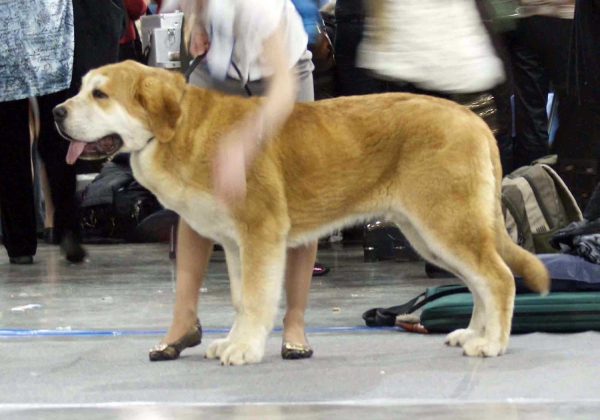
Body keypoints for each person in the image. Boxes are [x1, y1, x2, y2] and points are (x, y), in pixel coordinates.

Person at [150, 0, 319, 361]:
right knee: (193, 193)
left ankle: (295, 320)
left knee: (300, 193)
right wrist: (195, 22)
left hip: (283, 73)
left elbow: (284, 89)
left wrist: (243, 141)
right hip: (219, 68)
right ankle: (184, 317)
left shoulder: (258, 7)